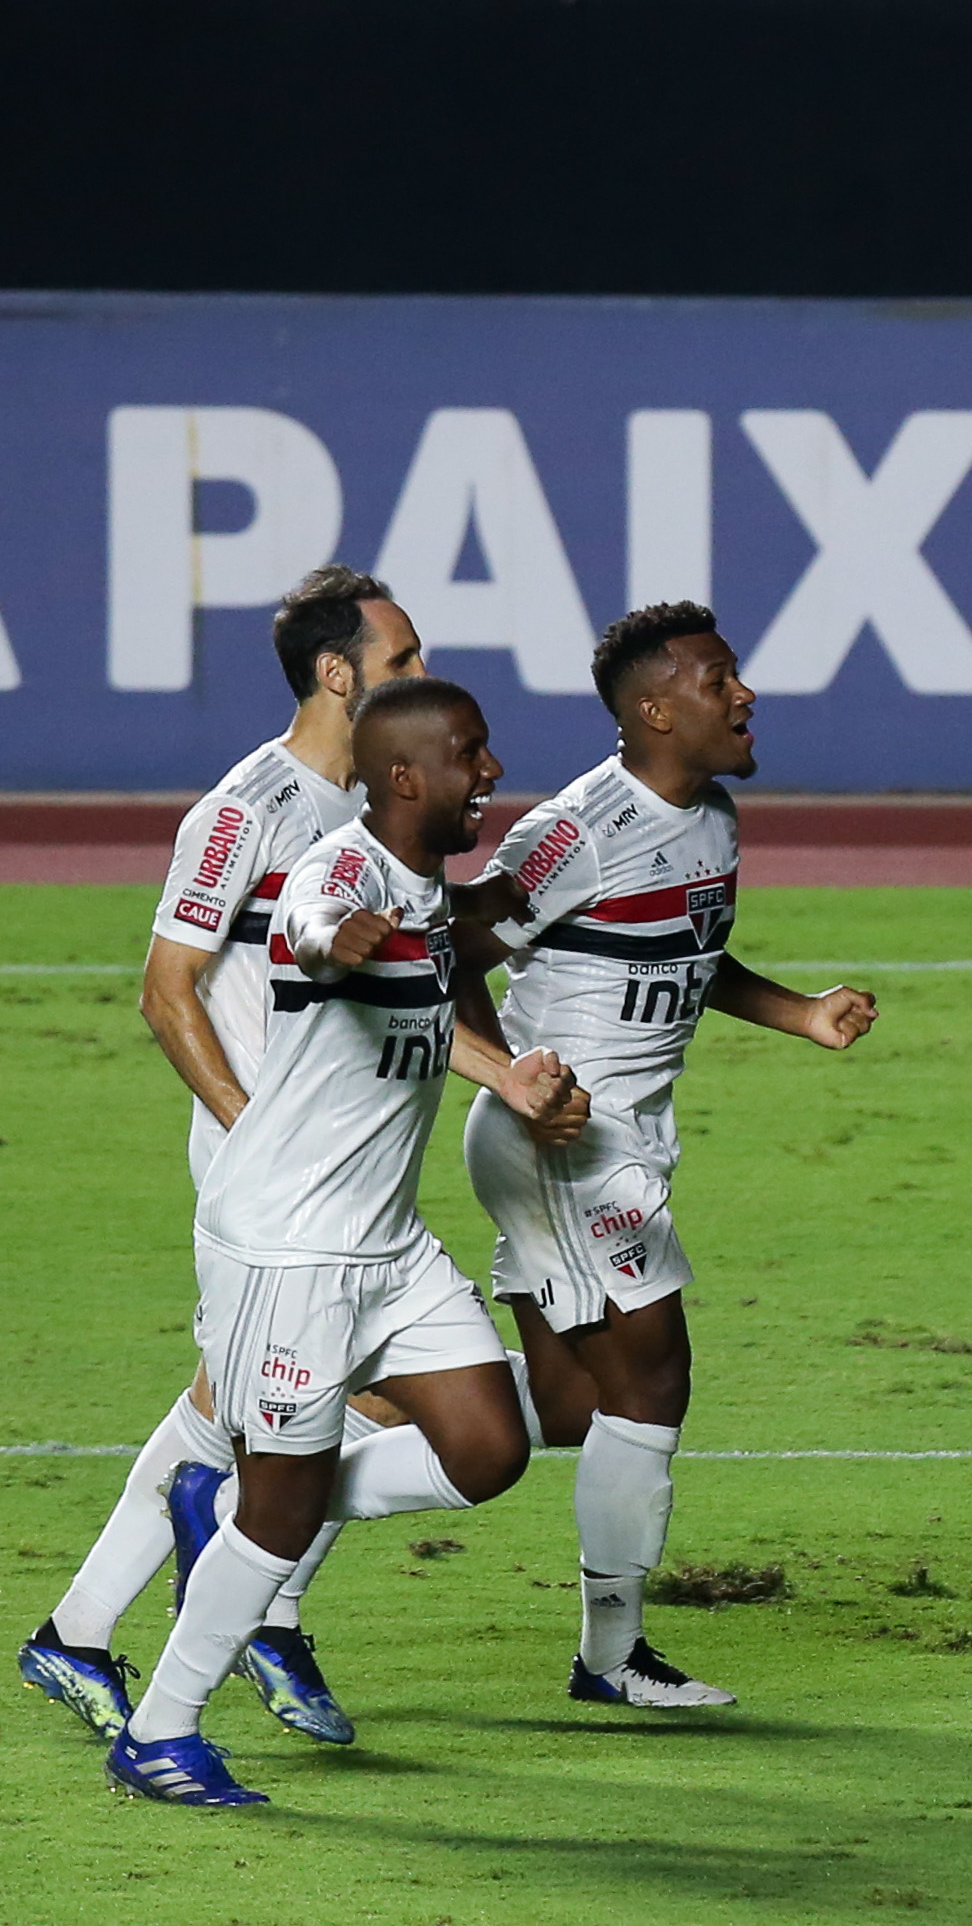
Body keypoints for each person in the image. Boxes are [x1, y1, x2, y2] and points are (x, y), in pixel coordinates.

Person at [21, 567, 569, 1749]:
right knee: (277, 1420)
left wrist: (506, 1063)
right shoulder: (245, 812)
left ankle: (111, 1625)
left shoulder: (389, 817)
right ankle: (211, 1615)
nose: (421, 675)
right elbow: (168, 995)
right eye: (404, 658)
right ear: (339, 672)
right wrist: (247, 1126)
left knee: (262, 1418)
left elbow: (427, 974)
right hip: (271, 1175)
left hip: (354, 1163)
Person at [461, 602, 878, 1708]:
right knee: (655, 1377)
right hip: (565, 1139)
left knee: (556, 1410)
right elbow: (454, 944)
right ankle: (611, 1656)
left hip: (617, 1138)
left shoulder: (714, 819)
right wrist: (511, 1075)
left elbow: (690, 953)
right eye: (717, 680)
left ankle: (294, 1482)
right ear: (653, 710)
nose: (742, 695)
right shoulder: (578, 828)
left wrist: (803, 1013)